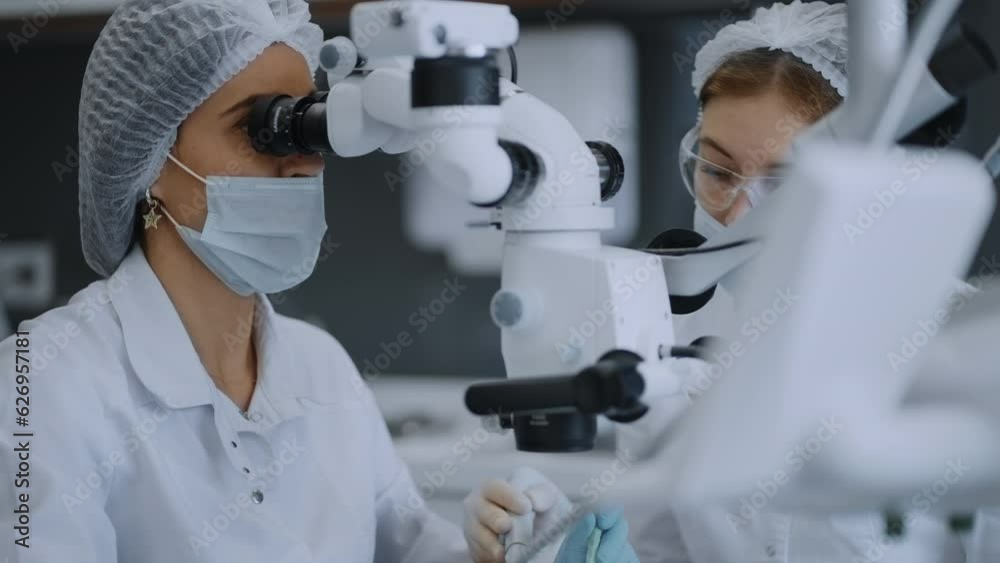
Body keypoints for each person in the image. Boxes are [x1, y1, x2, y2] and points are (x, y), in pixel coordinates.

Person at [0, 1, 628, 561]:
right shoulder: (43, 378)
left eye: (309, 121)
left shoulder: (320, 365)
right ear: (151, 160)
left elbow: (402, 548)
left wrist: (491, 554)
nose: (303, 156)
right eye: (262, 125)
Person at [466, 2, 969, 562]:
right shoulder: (665, 336)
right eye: (716, 171)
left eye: (784, 184)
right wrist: (547, 544)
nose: (735, 214)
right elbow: (659, 548)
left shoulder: (961, 345)